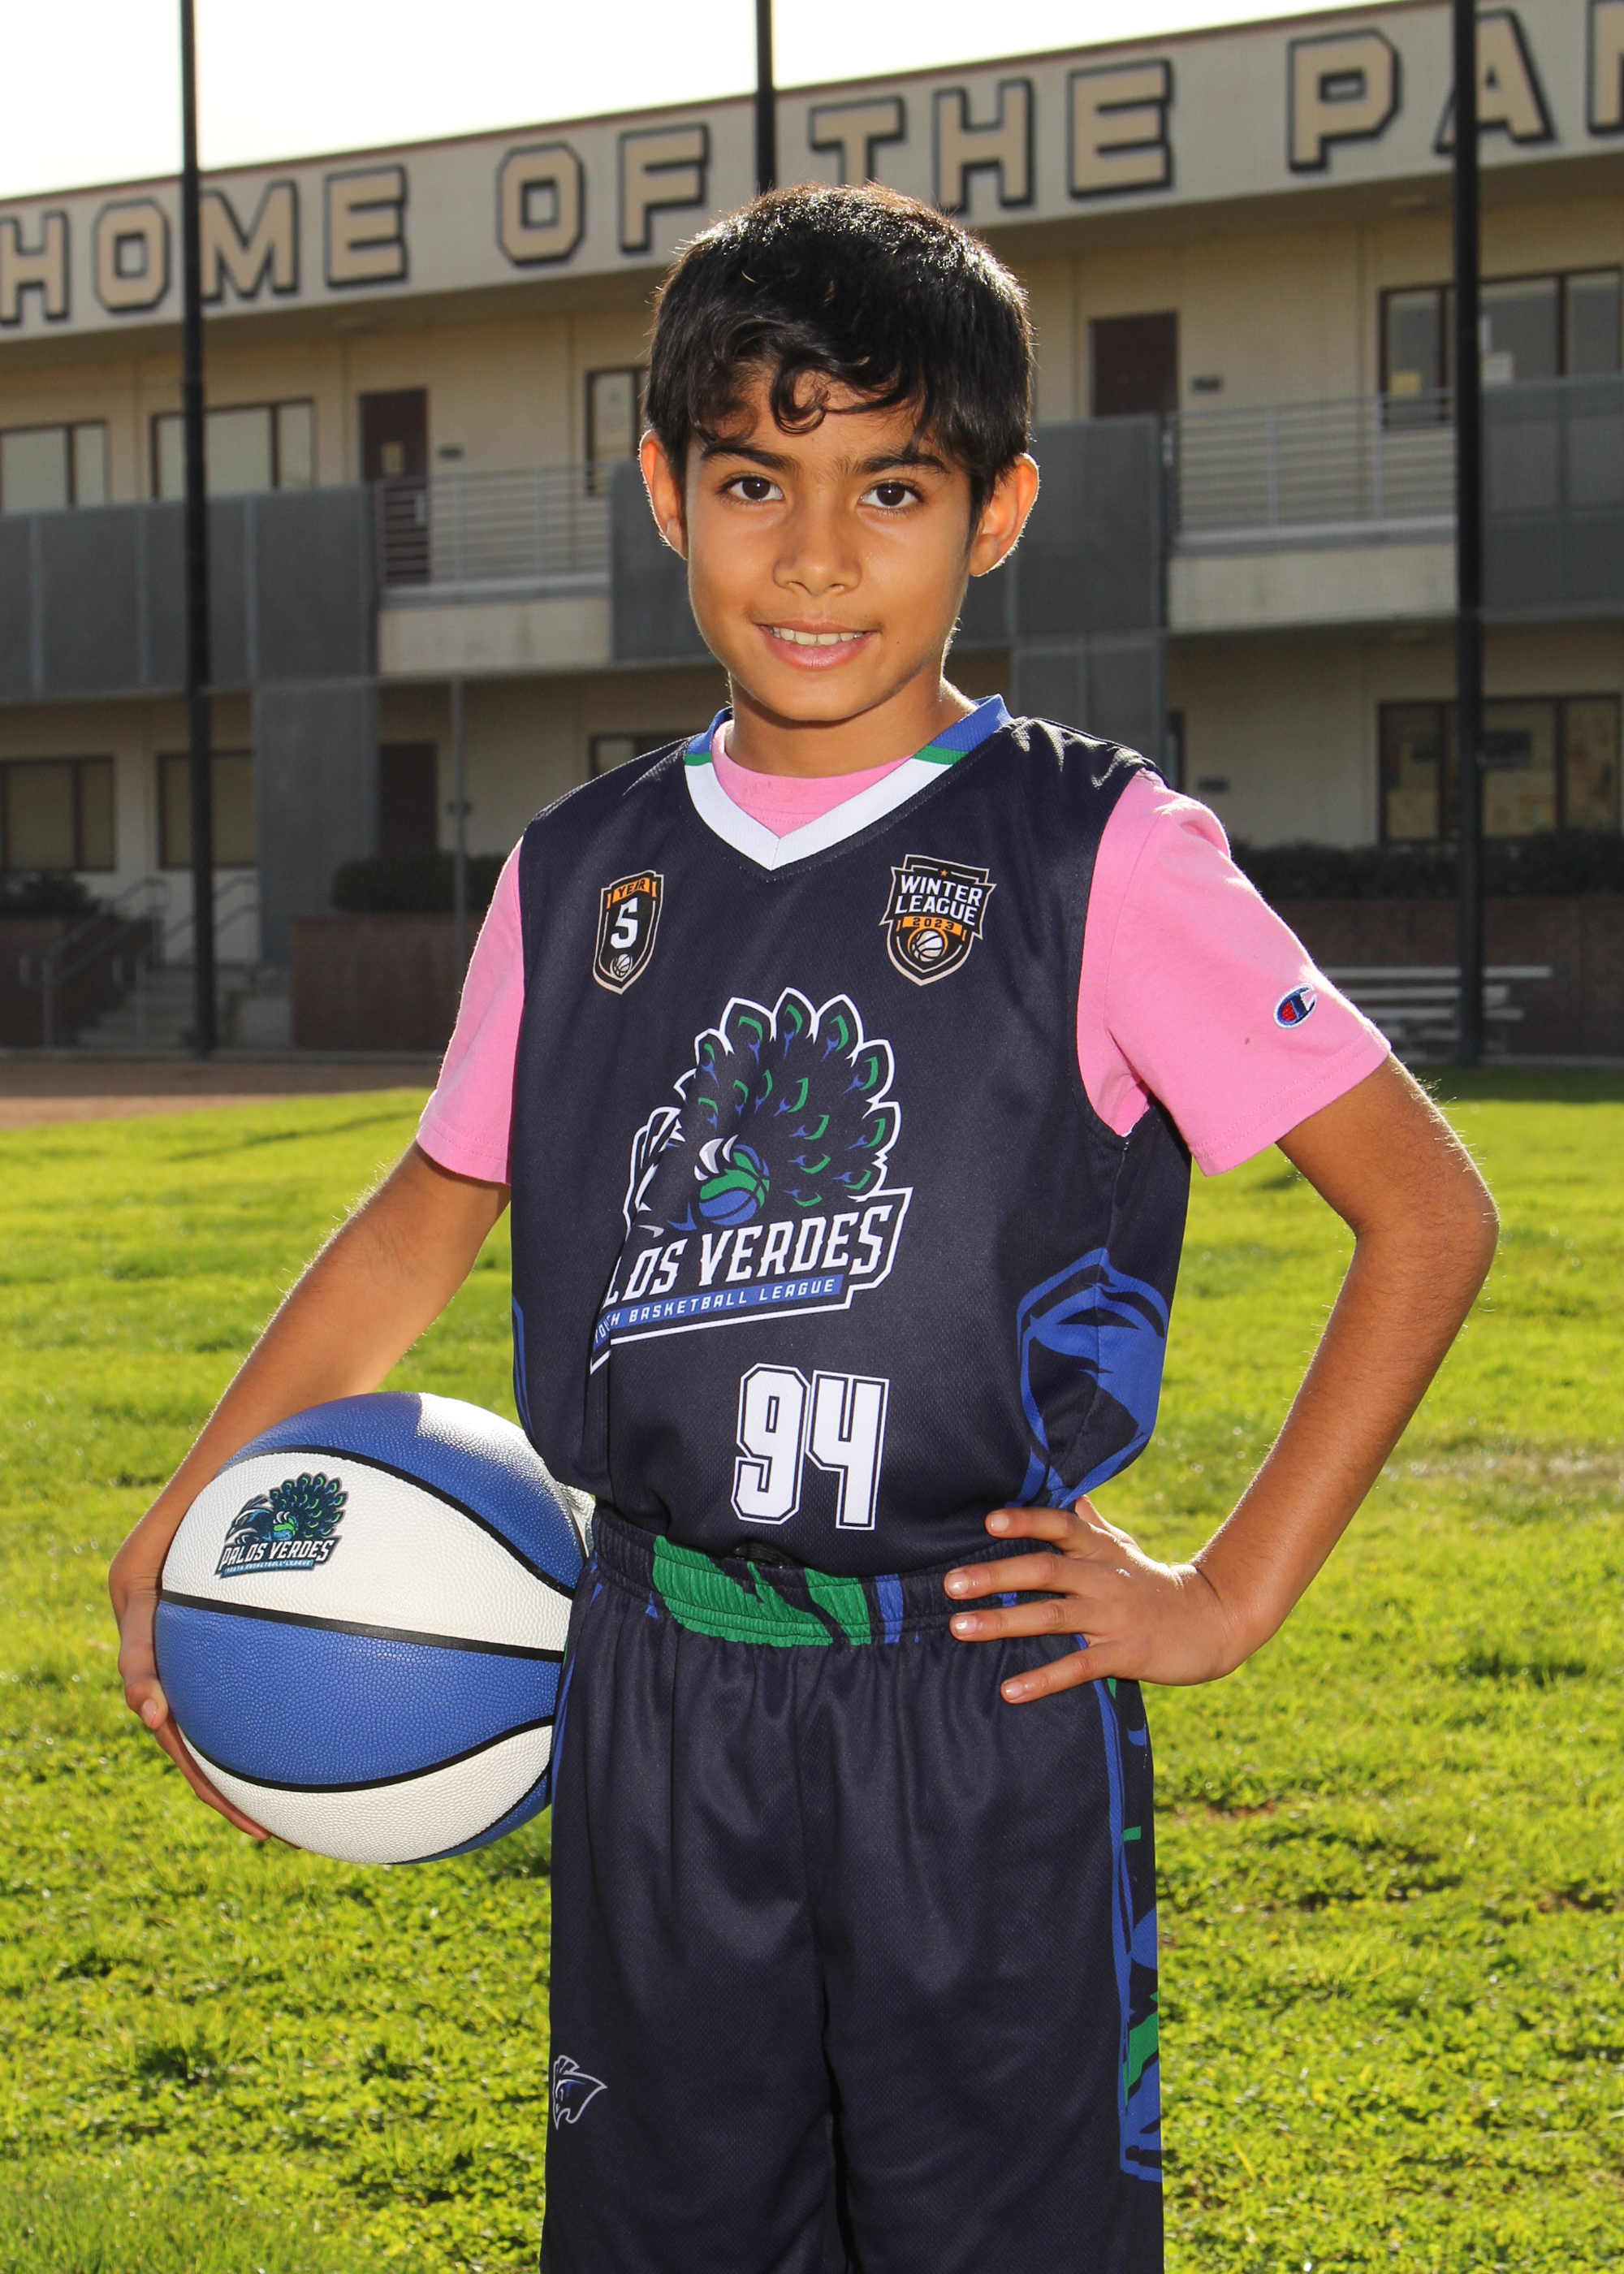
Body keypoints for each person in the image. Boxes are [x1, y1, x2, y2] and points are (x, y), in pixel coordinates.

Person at [110, 184, 1497, 2273]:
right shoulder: (580, 871)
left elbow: (1425, 1209)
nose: (819, 554)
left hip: (973, 1702)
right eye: (757, 480)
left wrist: (1226, 1592)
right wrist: (195, 1504)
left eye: (893, 488)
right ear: (666, 489)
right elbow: (424, 1219)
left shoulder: (1095, 849)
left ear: (999, 510)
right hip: (656, 1683)